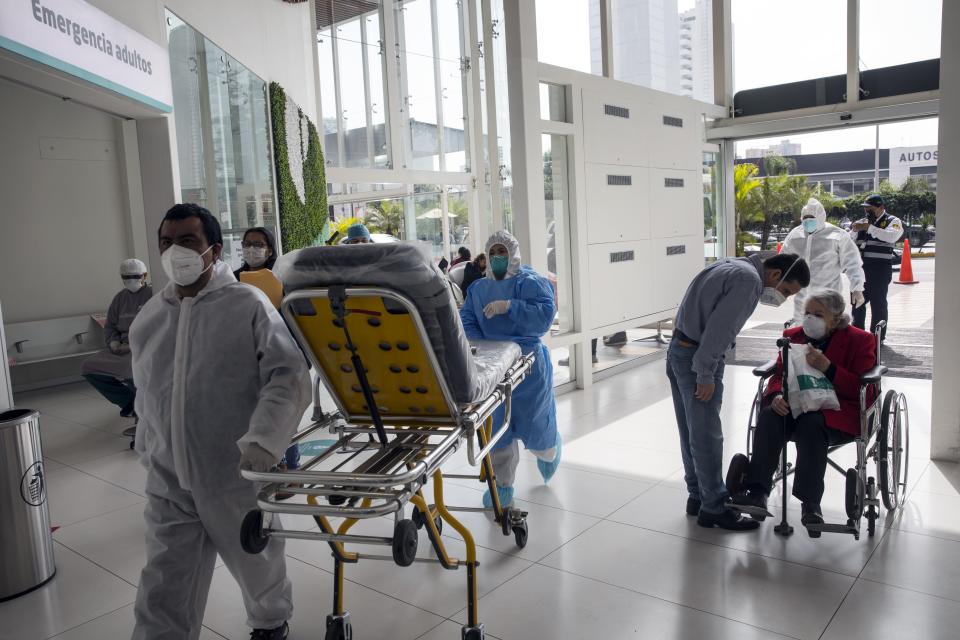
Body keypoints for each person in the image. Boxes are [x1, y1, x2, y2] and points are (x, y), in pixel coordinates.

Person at [130, 203, 310, 640]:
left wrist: (264, 442)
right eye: (166, 243)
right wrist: (148, 451)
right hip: (169, 479)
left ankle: (271, 623)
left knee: (258, 562)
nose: (176, 252)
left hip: (235, 472)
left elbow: (288, 376)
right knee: (163, 583)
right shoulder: (150, 318)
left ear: (213, 249)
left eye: (187, 241)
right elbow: (148, 396)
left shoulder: (246, 304)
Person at [669, 252, 810, 531]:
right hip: (698, 358)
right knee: (707, 435)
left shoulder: (729, 264)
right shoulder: (748, 281)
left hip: (679, 351)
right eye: (785, 290)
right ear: (773, 274)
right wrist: (705, 373)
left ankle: (697, 496)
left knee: (691, 431)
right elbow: (719, 331)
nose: (782, 297)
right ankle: (714, 508)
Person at [732, 290, 876, 536]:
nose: (809, 318)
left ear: (836, 318)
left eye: (818, 314)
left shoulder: (860, 340)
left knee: (812, 423)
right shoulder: (792, 337)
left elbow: (864, 390)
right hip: (795, 405)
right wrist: (776, 394)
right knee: (769, 414)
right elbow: (778, 374)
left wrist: (829, 368)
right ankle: (757, 493)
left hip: (836, 412)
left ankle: (811, 504)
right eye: (807, 313)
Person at [460, 231, 561, 508]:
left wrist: (510, 307)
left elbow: (544, 317)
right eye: (492, 253)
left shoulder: (530, 282)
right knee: (497, 431)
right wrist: (477, 345)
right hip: (495, 367)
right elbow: (467, 320)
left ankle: (549, 452)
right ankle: (503, 487)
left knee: (536, 421)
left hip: (529, 365)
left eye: (502, 252)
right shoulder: (478, 290)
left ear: (513, 253)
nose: (497, 258)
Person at [233, 226, 300, 482]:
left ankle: (291, 468)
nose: (252, 249)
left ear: (269, 249)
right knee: (258, 414)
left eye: (258, 244)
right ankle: (267, 467)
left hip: (282, 352)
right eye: (247, 243)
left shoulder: (281, 279)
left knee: (283, 413)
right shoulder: (233, 280)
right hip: (247, 355)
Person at [81, 259, 153, 424]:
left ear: (145, 275)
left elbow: (157, 326)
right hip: (120, 348)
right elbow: (110, 326)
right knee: (88, 366)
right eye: (125, 277)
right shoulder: (120, 299)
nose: (130, 280)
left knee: (131, 369)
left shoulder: (153, 295)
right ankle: (130, 403)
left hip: (142, 348)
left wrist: (134, 344)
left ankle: (146, 408)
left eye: (134, 276)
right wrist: (113, 343)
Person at [783, 198, 865, 322]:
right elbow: (783, 261)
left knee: (829, 332)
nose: (807, 221)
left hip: (829, 297)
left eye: (812, 217)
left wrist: (857, 287)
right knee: (802, 332)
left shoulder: (837, 235)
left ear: (820, 217)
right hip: (802, 299)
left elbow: (852, 262)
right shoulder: (795, 235)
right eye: (805, 218)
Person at [849, 194, 903, 341]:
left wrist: (870, 228)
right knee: (857, 302)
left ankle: (877, 336)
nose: (867, 211)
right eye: (866, 208)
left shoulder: (893, 221)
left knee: (878, 303)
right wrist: (854, 230)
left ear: (880, 207)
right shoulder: (862, 222)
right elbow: (848, 242)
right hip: (860, 270)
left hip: (880, 269)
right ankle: (857, 333)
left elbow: (891, 237)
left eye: (870, 208)